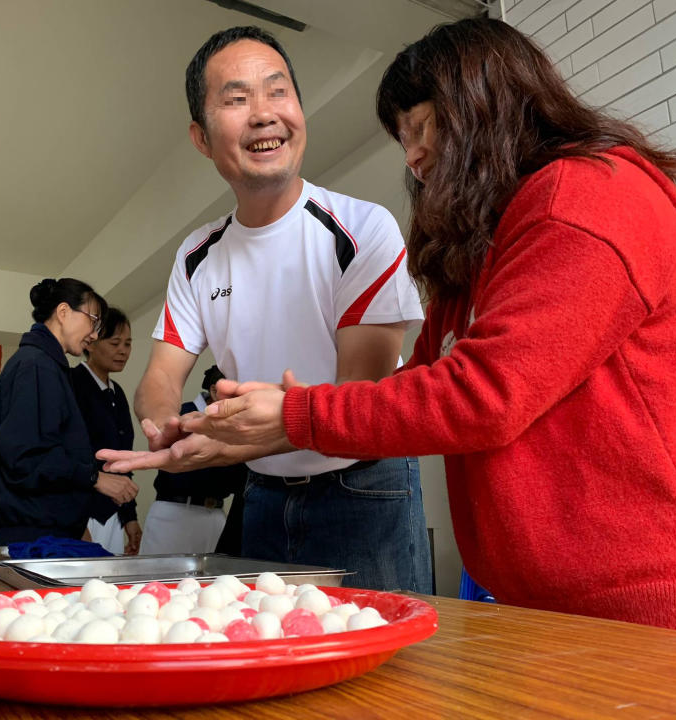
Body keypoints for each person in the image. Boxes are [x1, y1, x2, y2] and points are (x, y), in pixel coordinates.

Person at [180, 18, 676, 635]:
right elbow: (421, 386)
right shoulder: (480, 250)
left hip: (637, 596)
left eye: (421, 129)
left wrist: (294, 415)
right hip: (536, 598)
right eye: (402, 139)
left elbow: (482, 394)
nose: (412, 158)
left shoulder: (587, 199)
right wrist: (266, 429)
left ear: (482, 106)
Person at [99, 26, 432, 592]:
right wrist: (168, 431)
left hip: (363, 486)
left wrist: (233, 439)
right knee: (269, 659)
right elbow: (159, 377)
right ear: (201, 138)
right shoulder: (196, 254)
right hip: (262, 492)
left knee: (384, 671)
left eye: (278, 92)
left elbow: (361, 395)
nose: (263, 114)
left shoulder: (362, 229)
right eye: (236, 99)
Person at [0, 278, 138, 547]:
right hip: (34, 532)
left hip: (46, 527)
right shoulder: (36, 365)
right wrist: (95, 477)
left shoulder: (48, 366)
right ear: (63, 313)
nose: (94, 334)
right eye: (93, 321)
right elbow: (25, 455)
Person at [137, 365, 247, 556]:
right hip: (175, 512)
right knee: (161, 580)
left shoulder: (235, 425)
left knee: (213, 581)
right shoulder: (182, 415)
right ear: (214, 390)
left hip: (215, 514)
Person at [70, 307, 142, 555]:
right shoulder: (72, 383)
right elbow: (68, 455)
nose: (123, 350)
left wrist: (130, 517)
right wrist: (76, 523)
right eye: (114, 343)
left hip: (112, 514)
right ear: (91, 343)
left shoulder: (117, 393)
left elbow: (124, 459)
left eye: (128, 344)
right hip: (81, 515)